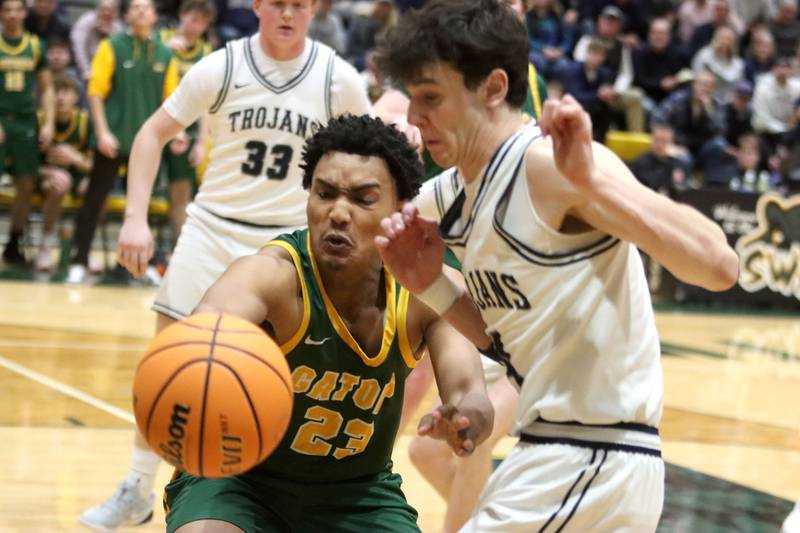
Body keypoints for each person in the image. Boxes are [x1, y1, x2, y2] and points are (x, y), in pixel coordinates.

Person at [375, 0, 740, 531]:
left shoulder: (547, 165)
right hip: (559, 453)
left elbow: (719, 264)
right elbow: (503, 343)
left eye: (430, 98)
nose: (414, 117)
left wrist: (594, 184)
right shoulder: (450, 194)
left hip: (592, 454)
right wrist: (431, 284)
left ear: (494, 89)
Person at [79, 0, 372, 529]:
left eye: (300, 6)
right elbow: (150, 135)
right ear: (258, 6)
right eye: (278, 4)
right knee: (169, 364)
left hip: (285, 246)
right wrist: (136, 220)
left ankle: (266, 497)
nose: (288, 14)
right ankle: (137, 489)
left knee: (282, 380)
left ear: (314, 10)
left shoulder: (338, 78)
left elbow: (373, 154)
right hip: (212, 229)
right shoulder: (221, 66)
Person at [164, 113, 494, 533]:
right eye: (325, 193)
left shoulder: (427, 292)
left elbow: (471, 393)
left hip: (358, 494)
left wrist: (465, 422)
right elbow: (206, 327)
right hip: (239, 481)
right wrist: (194, 365)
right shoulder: (273, 276)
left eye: (362, 198)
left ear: (401, 209)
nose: (338, 212)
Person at [66, 0, 176, 284]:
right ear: (126, 15)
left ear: (154, 15)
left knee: (144, 205)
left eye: (146, 7)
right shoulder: (111, 46)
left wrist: (175, 135)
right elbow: (95, 92)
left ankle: (142, 266)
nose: (141, 11)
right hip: (112, 139)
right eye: (135, 7)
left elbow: (172, 101)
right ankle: (78, 261)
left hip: (147, 145)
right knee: (94, 202)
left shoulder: (166, 53)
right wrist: (102, 132)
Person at [0, 0, 55, 266]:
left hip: (24, 123)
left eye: (16, 10)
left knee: (25, 185)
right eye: (6, 9)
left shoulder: (35, 46)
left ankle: (13, 243)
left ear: (24, 13)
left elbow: (46, 89)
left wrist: (48, 123)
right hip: (1, 119)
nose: (11, 15)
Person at [158, 0, 215, 247]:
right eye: (193, 18)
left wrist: (202, 141)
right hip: (157, 123)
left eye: (203, 21)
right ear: (182, 15)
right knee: (142, 189)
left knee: (180, 193)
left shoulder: (206, 53)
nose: (197, 25)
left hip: (188, 129)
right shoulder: (160, 41)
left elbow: (208, 103)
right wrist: (164, 51)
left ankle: (175, 254)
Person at [34, 74, 92, 271]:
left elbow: (93, 166)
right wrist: (48, 172)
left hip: (77, 176)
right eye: (56, 92)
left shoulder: (84, 121)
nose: (60, 97)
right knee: (59, 183)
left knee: (95, 189)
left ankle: (84, 246)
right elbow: (26, 167)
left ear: (76, 97)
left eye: (66, 92)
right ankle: (45, 245)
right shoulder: (39, 120)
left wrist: (74, 158)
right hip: (43, 179)